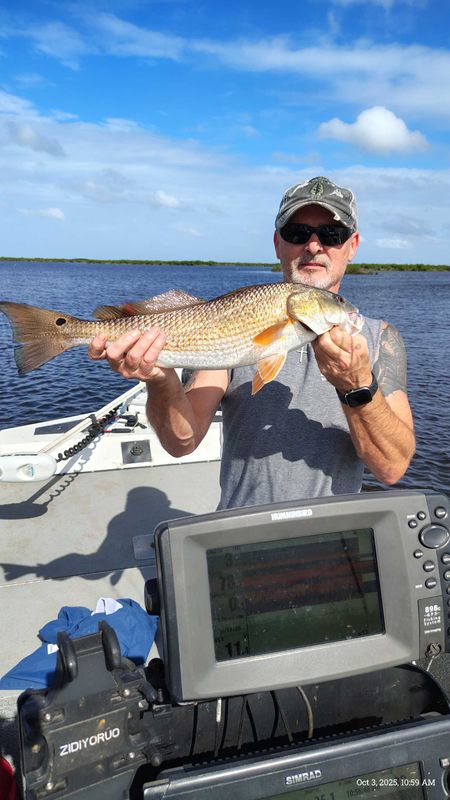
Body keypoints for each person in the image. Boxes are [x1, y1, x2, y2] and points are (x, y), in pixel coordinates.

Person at [88, 176, 415, 508]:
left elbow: (391, 469)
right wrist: (160, 379)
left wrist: (356, 385)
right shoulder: (241, 326)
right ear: (277, 243)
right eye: (297, 233)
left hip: (340, 540)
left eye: (332, 235)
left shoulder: (380, 338)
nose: (314, 246)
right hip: (241, 533)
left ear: (353, 246)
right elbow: (181, 443)